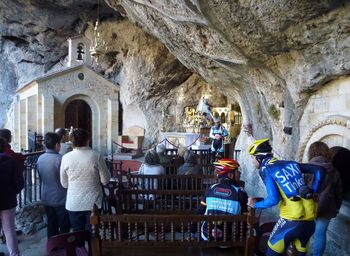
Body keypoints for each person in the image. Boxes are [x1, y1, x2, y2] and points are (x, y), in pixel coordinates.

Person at [247, 138, 325, 256]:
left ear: (259, 157)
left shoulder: (266, 169)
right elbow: (320, 170)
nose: (252, 161)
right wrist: (314, 191)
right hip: (309, 222)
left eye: (252, 157)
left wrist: (255, 204)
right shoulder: (290, 163)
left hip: (291, 221)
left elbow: (274, 199)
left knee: (271, 252)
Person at [60, 128, 111, 232]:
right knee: (93, 234)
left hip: (74, 202)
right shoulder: (96, 156)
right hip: (93, 203)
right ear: (88, 140)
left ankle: (80, 248)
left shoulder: (65, 157)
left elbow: (64, 184)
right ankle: (92, 248)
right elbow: (105, 180)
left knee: (77, 235)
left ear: (72, 141)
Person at [195, 158, 248, 240]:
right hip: (230, 239)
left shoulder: (210, 189)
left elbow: (200, 211)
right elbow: (245, 219)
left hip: (207, 237)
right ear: (230, 175)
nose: (239, 173)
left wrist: (192, 232)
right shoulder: (241, 192)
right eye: (237, 171)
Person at [307, 141, 342, 256]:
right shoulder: (334, 171)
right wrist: (337, 208)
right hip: (327, 208)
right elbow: (338, 193)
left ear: (311, 153)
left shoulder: (306, 168)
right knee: (320, 234)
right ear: (326, 153)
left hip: (308, 207)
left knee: (304, 232)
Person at [37, 132, 70, 239]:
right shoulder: (61, 159)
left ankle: (52, 247)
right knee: (64, 225)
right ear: (57, 145)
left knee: (51, 225)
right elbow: (66, 179)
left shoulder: (40, 158)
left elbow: (41, 178)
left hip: (46, 197)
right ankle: (65, 247)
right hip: (61, 198)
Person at [0, 137, 24, 256]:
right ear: (5, 147)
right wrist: (13, 192)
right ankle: (15, 254)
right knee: (9, 229)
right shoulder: (11, 162)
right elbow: (19, 182)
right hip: (8, 200)